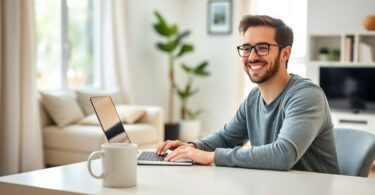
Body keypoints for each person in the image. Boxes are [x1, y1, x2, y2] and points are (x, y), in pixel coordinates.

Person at [156, 15, 339, 174]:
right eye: (246, 48)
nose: (251, 57)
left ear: (285, 53)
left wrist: (210, 156)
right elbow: (226, 138)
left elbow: (283, 155)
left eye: (262, 47)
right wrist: (192, 147)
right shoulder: (254, 98)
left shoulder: (306, 96)